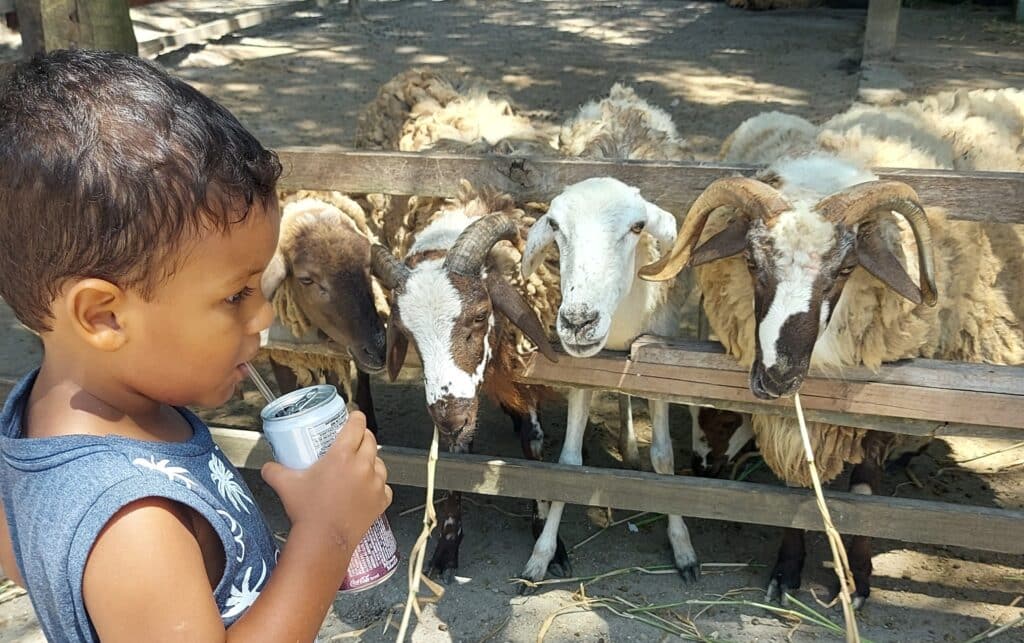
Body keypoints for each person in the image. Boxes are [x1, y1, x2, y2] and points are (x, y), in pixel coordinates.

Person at [0, 49, 392, 642]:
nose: (264, 313)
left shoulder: (67, 417)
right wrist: (329, 534)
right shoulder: (132, 525)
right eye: (236, 295)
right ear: (104, 316)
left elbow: (28, 555)